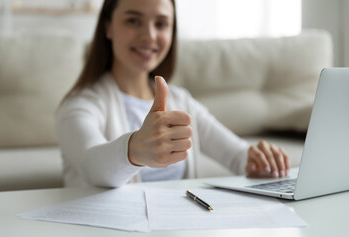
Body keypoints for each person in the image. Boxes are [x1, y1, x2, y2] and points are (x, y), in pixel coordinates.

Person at [56, 0, 290, 188]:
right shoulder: (79, 105)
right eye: (133, 20)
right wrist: (134, 149)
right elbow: (90, 165)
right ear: (107, 25)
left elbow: (237, 155)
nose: (149, 35)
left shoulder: (181, 100)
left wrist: (260, 160)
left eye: (161, 24)